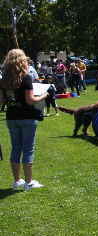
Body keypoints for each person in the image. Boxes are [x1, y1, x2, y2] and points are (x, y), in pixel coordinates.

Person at [0, 49, 49, 191]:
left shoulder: (3, 80)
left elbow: (1, 101)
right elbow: (30, 100)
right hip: (27, 117)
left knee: (16, 148)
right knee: (28, 149)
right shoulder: (26, 77)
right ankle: (29, 182)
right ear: (22, 61)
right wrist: (44, 95)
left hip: (11, 117)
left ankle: (17, 181)